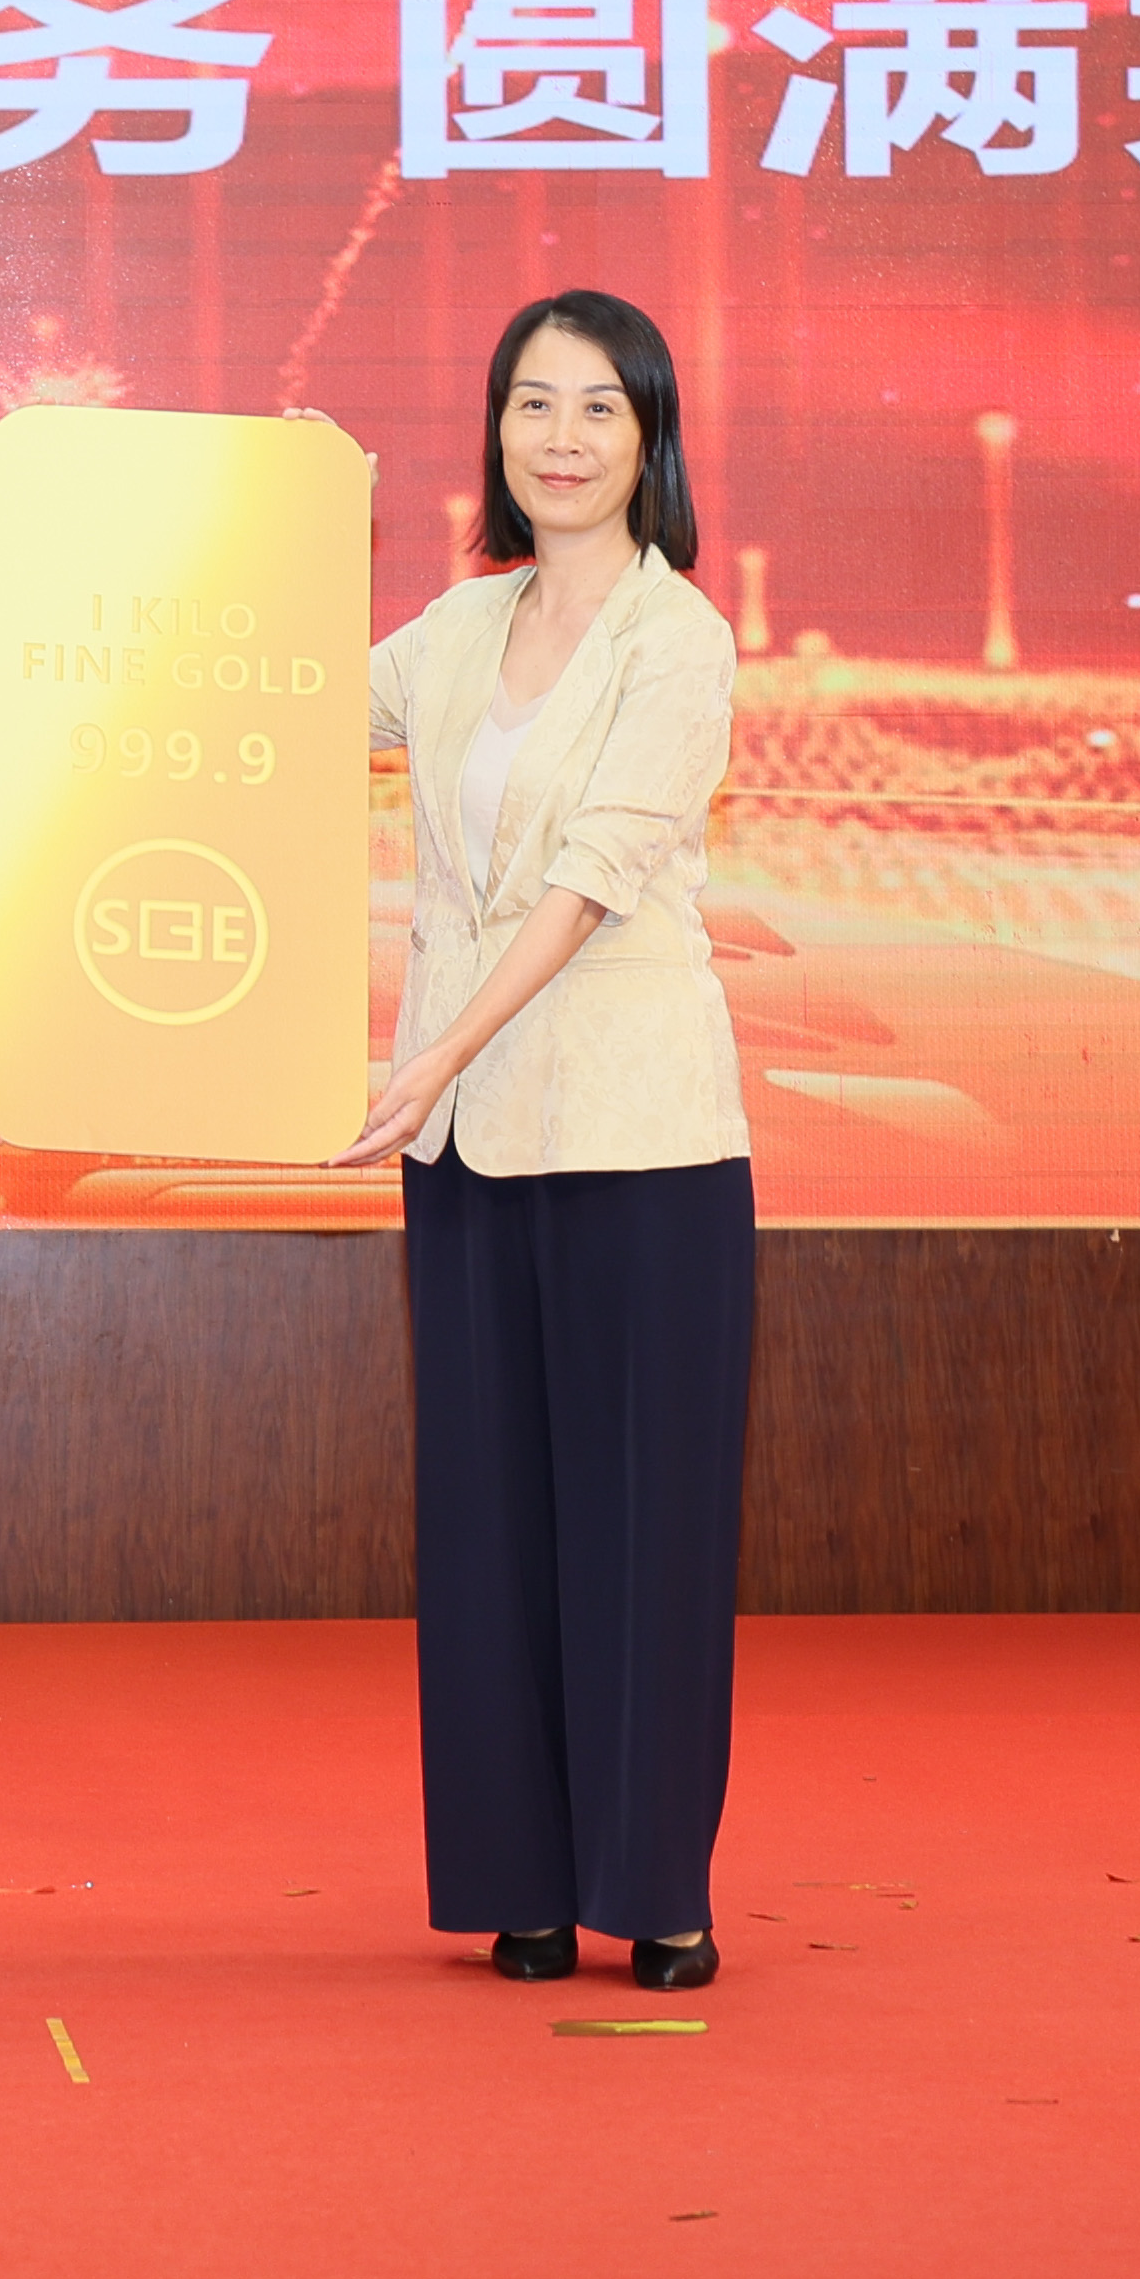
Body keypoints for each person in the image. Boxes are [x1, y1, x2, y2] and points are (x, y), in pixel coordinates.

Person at [341, 288, 755, 1992]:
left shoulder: (679, 639)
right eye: (533, 404)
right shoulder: (454, 629)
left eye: (598, 408)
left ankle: (655, 1886)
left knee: (644, 1522)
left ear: (649, 439)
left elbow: (592, 875)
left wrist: (437, 1044)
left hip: (635, 1134)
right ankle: (519, 1878)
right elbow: (268, 714)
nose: (562, 438)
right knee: (491, 1516)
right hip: (465, 1143)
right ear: (496, 431)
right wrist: (277, 532)